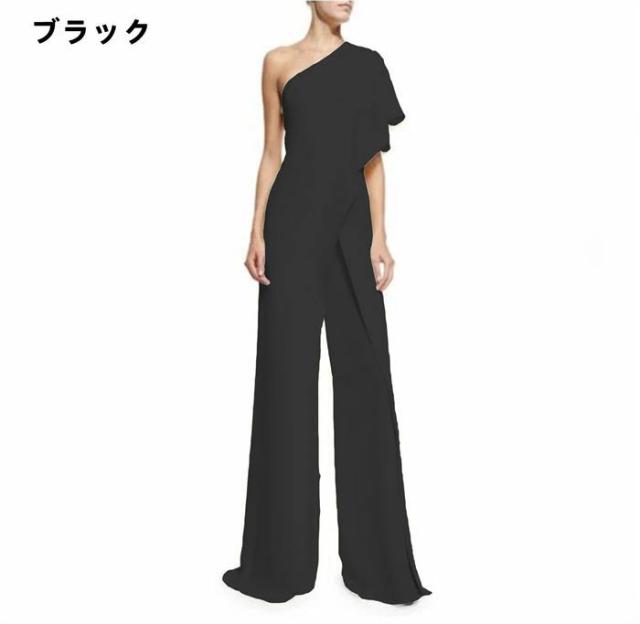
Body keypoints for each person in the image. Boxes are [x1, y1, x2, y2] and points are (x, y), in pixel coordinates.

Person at [223, 0, 431, 604]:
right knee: (285, 385)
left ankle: (377, 565)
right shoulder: (278, 62)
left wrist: (379, 236)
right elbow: (272, 153)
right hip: (290, 229)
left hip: (349, 230)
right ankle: (279, 564)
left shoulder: (368, 64)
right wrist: (256, 230)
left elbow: (373, 161)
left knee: (366, 380)